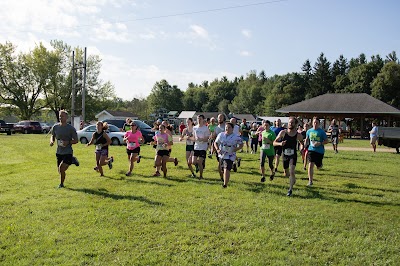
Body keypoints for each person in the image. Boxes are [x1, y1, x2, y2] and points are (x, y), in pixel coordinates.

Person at [273, 117, 303, 196]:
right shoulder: (283, 132)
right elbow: (274, 142)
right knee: (286, 173)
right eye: (289, 122)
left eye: (292, 123)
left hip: (293, 155)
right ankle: (293, 178)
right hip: (285, 155)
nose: (290, 124)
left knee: (292, 171)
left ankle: (290, 189)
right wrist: (280, 144)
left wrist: (301, 148)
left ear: (295, 124)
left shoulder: (298, 135)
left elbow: (302, 143)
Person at [49, 110, 79, 188]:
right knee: (60, 171)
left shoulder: (71, 128)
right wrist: (52, 141)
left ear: (66, 117)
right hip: (59, 152)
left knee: (61, 168)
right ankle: (72, 160)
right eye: (60, 116)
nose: (60, 118)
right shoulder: (56, 127)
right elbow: (53, 136)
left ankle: (61, 184)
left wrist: (68, 142)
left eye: (62, 116)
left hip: (68, 152)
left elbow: (76, 140)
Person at [214, 122, 243, 188]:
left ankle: (225, 184)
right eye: (226, 127)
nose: (227, 129)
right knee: (221, 169)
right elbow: (215, 143)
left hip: (230, 155)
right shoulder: (221, 135)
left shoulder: (236, 136)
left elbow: (241, 144)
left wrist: (236, 149)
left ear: (232, 129)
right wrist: (217, 149)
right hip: (222, 154)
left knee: (226, 169)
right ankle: (233, 166)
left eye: (229, 127)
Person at [305, 117, 328, 187]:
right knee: (310, 165)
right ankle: (310, 181)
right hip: (311, 150)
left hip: (319, 151)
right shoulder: (309, 131)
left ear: (319, 124)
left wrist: (320, 143)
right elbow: (307, 139)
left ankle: (319, 164)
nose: (315, 124)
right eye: (314, 122)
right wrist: (304, 144)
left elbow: (326, 141)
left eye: (317, 123)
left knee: (319, 166)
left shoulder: (321, 132)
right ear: (312, 123)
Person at [192, 115, 211, 179]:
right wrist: (192, 138)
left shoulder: (205, 128)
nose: (199, 120)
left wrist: (201, 139)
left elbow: (207, 138)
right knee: (193, 162)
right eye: (198, 119)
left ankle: (201, 176)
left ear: (203, 120)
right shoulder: (195, 128)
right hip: (196, 147)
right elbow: (194, 137)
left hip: (203, 147)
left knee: (200, 162)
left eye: (200, 119)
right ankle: (197, 166)